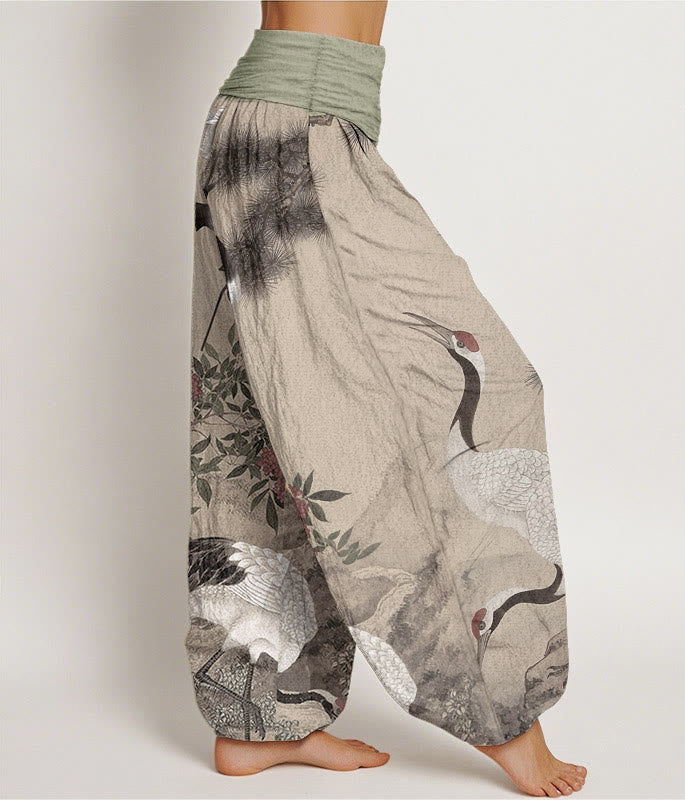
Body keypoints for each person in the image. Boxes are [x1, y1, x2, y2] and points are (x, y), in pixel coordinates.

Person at [187, 2, 587, 796]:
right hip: (296, 129)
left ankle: (257, 720)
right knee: (445, 403)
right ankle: (500, 709)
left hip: (293, 126)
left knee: (259, 429)